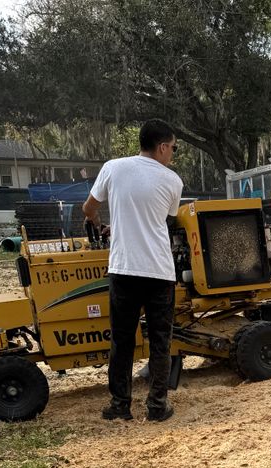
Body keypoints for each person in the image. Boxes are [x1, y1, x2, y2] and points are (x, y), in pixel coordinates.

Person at [82, 119, 184, 422]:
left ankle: (120, 404)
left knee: (122, 340)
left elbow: (88, 208)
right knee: (160, 341)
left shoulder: (113, 168)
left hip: (124, 269)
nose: (173, 154)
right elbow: (162, 219)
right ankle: (156, 406)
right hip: (159, 271)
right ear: (163, 146)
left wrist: (103, 227)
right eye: (173, 148)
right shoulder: (172, 180)